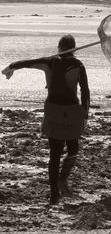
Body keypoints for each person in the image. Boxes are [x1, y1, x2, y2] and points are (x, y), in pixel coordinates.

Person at [1, 34, 90, 205]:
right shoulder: (79, 65)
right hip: (71, 112)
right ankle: (63, 179)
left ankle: (54, 195)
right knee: (73, 149)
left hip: (53, 112)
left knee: (54, 155)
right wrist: (85, 114)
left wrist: (11, 67)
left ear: (59, 47)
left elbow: (28, 62)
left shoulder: (49, 61)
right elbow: (85, 91)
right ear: (74, 47)